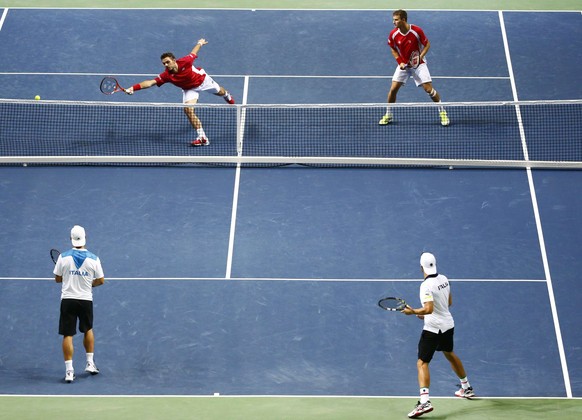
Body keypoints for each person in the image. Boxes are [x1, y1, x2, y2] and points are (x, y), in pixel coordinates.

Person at [401, 252, 474, 418]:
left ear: (421, 267)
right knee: (449, 353)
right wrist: (425, 314)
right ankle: (466, 387)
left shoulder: (425, 286)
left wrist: (412, 312)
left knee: (422, 363)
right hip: (448, 325)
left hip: (433, 329)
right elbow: (448, 303)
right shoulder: (444, 279)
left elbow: (428, 309)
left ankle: (424, 401)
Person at [125, 38, 235, 146]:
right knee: (188, 110)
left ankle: (227, 95)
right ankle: (203, 138)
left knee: (220, 92)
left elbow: (193, 52)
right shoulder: (166, 75)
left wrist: (200, 43)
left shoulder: (185, 61)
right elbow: (150, 82)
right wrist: (133, 88)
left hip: (202, 81)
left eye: (168, 62)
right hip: (189, 89)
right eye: (164, 63)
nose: (166, 65)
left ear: (174, 60)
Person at [379, 10, 450, 127]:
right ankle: (388, 114)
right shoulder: (393, 34)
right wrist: (400, 62)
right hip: (404, 65)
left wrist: (419, 58)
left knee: (429, 90)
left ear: (404, 20)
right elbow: (393, 48)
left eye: (396, 20)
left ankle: (442, 112)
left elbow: (427, 44)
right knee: (393, 89)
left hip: (419, 64)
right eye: (393, 19)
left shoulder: (416, 31)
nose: (394, 22)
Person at [54, 225, 105, 383]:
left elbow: (57, 279)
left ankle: (69, 371)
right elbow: (101, 280)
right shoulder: (94, 258)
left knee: (67, 334)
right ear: (85, 238)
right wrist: (90, 284)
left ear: (71, 238)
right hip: (85, 300)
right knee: (88, 329)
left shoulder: (63, 257)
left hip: (68, 300)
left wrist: (67, 278)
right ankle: (90, 363)